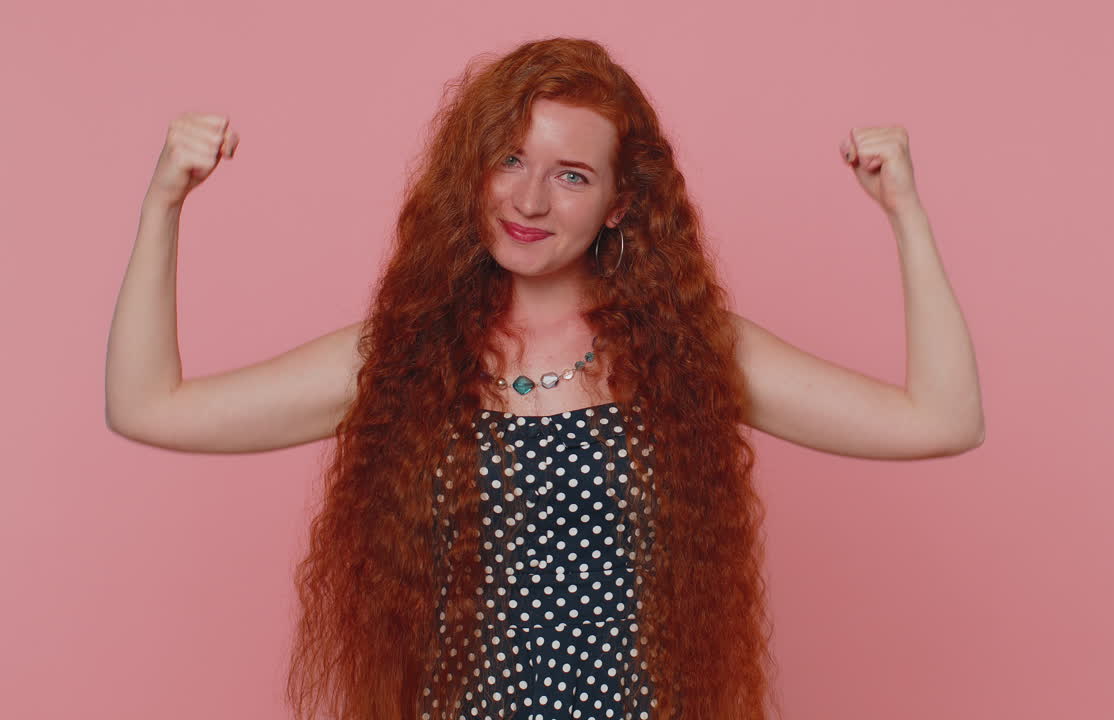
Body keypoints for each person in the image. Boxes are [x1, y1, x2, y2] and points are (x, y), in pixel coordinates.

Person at [105, 36, 983, 720]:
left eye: (571, 175)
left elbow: (939, 421)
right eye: (511, 161)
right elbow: (149, 407)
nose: (529, 202)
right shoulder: (403, 354)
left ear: (620, 202)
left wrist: (905, 213)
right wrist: (163, 203)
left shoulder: (689, 350)